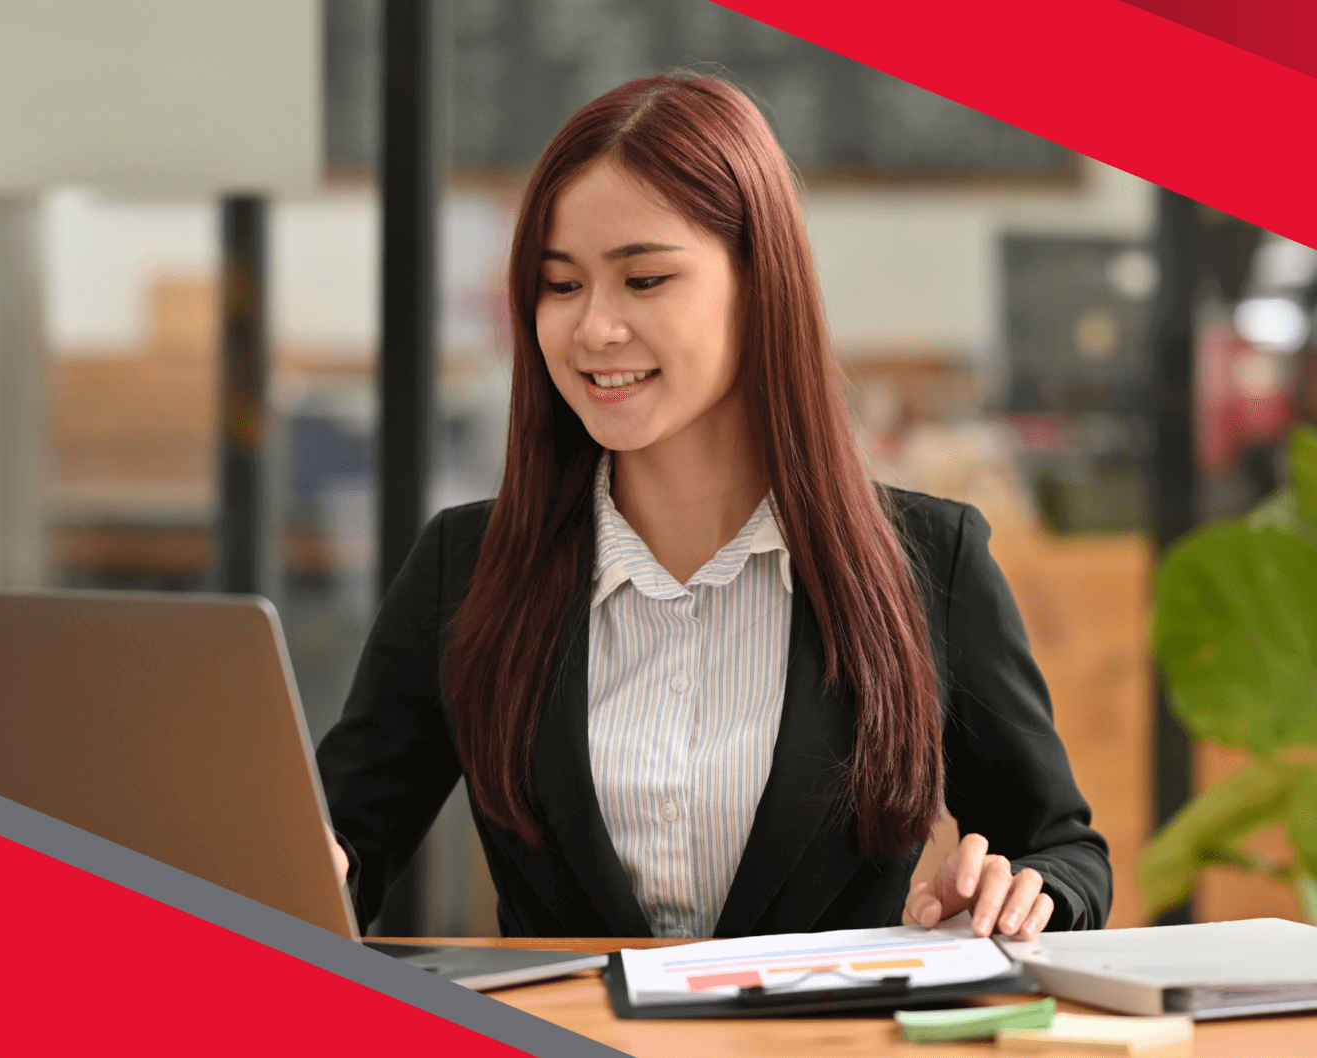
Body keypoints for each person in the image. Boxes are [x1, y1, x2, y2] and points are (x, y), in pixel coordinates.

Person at [316, 73, 1111, 941]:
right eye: (561, 286)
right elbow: (341, 851)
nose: (595, 330)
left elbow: (1063, 853)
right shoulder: (464, 568)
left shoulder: (926, 560)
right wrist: (310, 865)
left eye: (645, 280)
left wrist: (1015, 892)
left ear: (759, 281)